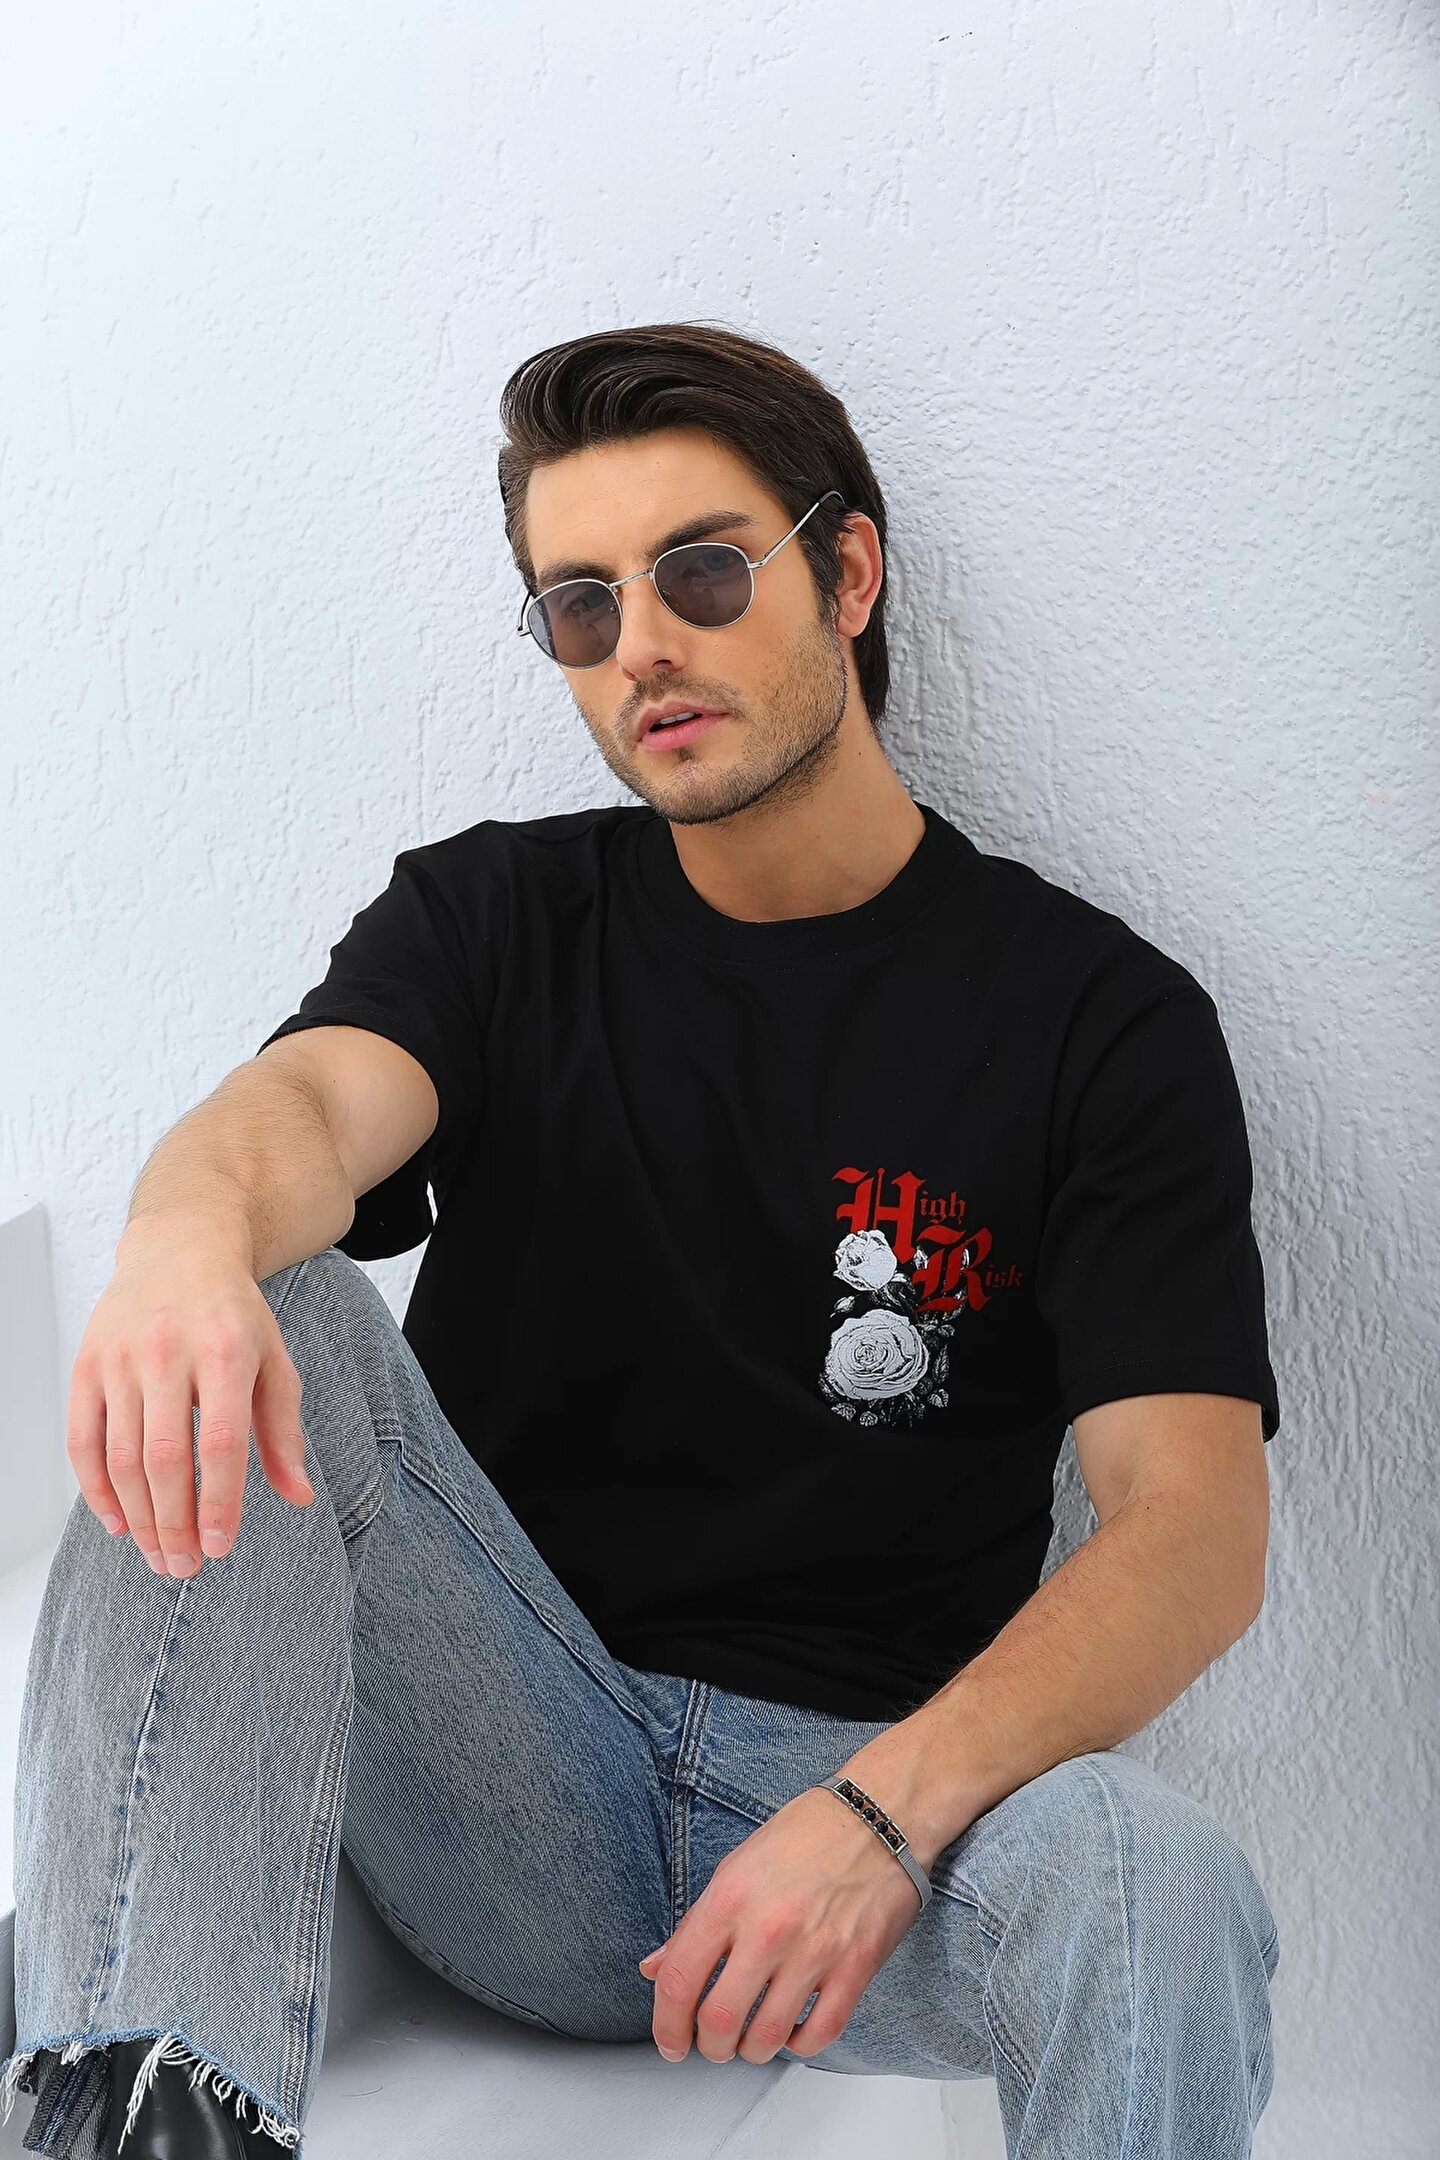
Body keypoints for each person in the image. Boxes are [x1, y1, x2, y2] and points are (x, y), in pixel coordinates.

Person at [1, 322, 1282, 2160]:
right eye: (583, 605)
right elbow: (304, 1117)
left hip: (857, 1814)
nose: (644, 646)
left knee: (1162, 1876)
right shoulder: (497, 920)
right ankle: (128, 2126)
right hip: (505, 1762)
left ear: (848, 575)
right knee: (255, 1294)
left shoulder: (1098, 1021)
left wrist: (880, 1815)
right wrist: (178, 1238)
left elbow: (1196, 1533)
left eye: (703, 573)